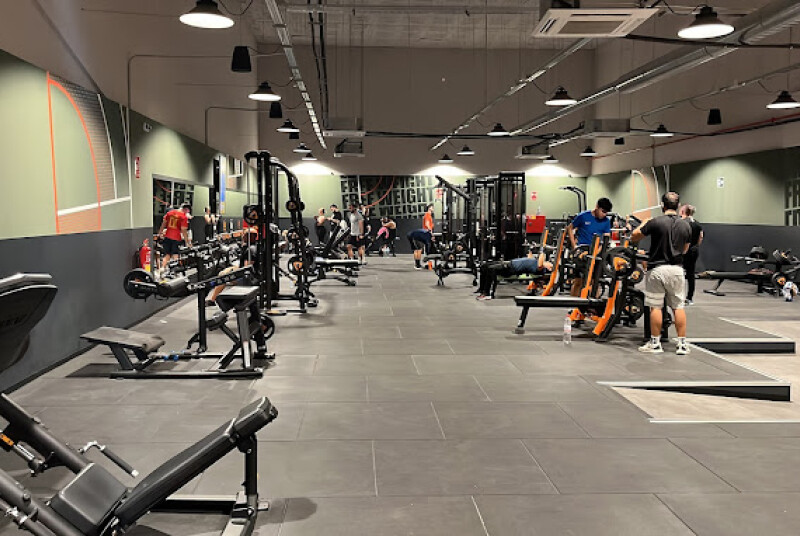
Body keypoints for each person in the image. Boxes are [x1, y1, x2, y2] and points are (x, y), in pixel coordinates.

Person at [631, 192, 692, 355]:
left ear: (662, 205)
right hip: (677, 270)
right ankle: (682, 345)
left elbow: (634, 237)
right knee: (678, 307)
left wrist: (643, 223)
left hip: (657, 269)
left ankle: (655, 343)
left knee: (656, 307)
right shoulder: (686, 225)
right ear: (678, 206)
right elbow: (685, 249)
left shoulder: (655, 222)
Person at [566, 197, 613, 296]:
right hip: (582, 251)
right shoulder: (583, 216)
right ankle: (573, 304)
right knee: (578, 281)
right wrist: (574, 246)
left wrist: (597, 252)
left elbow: (605, 239)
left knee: (594, 282)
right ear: (597, 207)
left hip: (597, 251)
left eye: (606, 213)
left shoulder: (606, 221)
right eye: (603, 211)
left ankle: (593, 305)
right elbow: (570, 228)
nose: (604, 214)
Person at [476, 253, 553, 300]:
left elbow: (541, 259)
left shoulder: (540, 268)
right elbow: (530, 257)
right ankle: (481, 289)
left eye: (551, 265)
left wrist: (542, 252)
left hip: (511, 269)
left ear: (548, 268)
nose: (550, 263)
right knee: (484, 266)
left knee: (491, 269)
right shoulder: (536, 262)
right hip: (509, 263)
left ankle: (487, 294)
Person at [157, 202, 192, 273]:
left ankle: (162, 268)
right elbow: (184, 230)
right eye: (187, 211)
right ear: (186, 209)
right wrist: (187, 242)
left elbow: (163, 223)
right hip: (176, 237)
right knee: (175, 254)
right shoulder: (183, 217)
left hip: (167, 236)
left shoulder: (170, 213)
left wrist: (159, 233)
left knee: (167, 254)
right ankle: (174, 271)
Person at [680, 204, 703, 305]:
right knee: (690, 274)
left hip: (682, 251)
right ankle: (689, 298)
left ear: (684, 212)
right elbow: (701, 237)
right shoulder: (697, 224)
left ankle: (677, 296)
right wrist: (695, 246)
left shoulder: (681, 223)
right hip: (693, 251)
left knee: (678, 273)